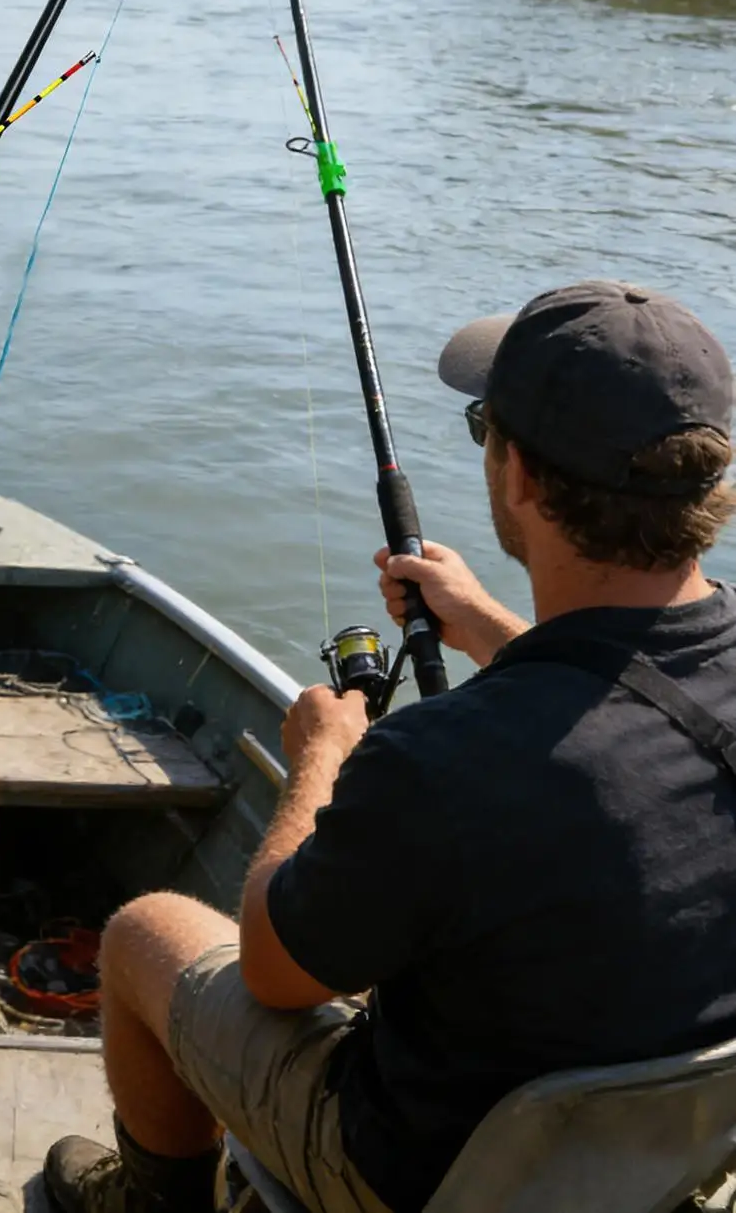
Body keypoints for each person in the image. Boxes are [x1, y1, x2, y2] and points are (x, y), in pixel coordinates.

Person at [43, 279, 736, 1213]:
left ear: (520, 475)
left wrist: (322, 755)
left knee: (143, 934)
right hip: (661, 1164)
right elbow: (634, 702)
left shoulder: (439, 760)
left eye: (483, 425)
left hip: (418, 1176)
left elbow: (273, 969)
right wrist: (488, 624)